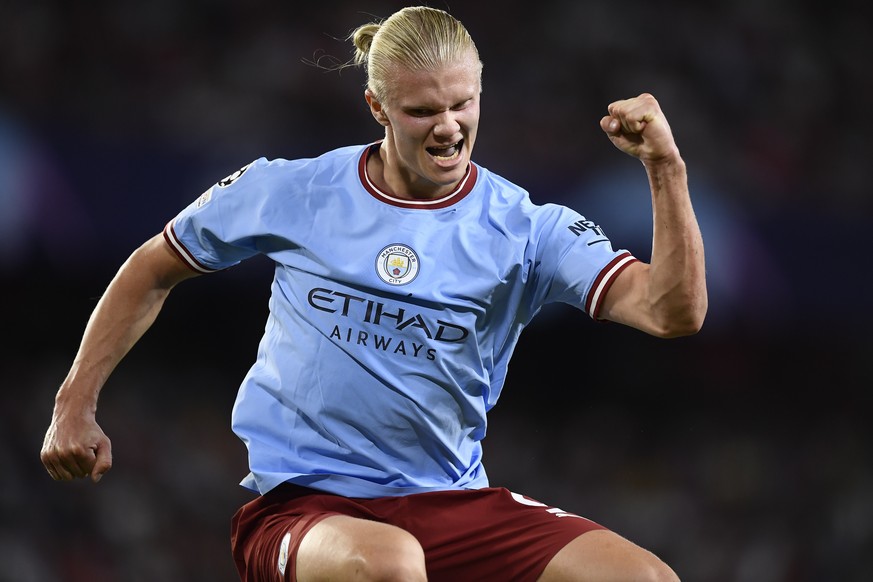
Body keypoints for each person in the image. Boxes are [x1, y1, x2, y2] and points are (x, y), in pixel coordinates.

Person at [41, 6, 706, 581]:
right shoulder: (292, 190)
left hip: (448, 506)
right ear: (377, 107)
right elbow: (153, 266)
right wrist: (75, 404)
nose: (447, 128)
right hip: (304, 509)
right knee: (388, 564)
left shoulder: (525, 229)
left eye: (461, 104)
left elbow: (672, 312)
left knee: (645, 575)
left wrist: (664, 168)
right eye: (422, 111)